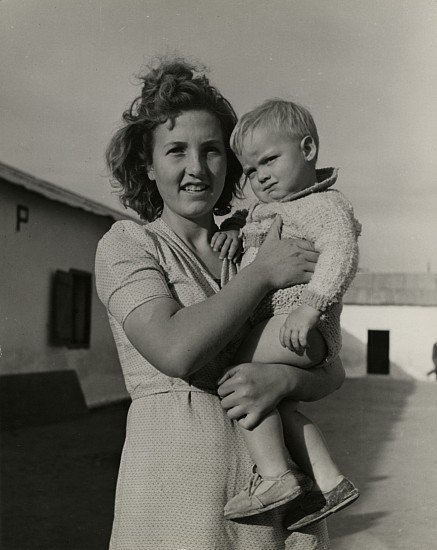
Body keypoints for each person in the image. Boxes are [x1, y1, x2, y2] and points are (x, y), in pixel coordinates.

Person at [96, 58, 345, 549]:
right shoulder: (129, 245)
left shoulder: (260, 239)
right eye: (175, 151)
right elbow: (175, 350)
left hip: (270, 508)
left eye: (212, 151)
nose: (196, 168)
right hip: (174, 495)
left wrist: (285, 378)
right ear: (148, 165)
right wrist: (262, 274)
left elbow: (331, 361)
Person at [214, 99, 361, 529]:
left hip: (300, 325)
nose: (260, 175)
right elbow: (253, 226)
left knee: (236, 376)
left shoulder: (324, 204)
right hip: (292, 330)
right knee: (282, 403)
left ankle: (276, 476)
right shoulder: (272, 208)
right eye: (251, 170)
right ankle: (330, 482)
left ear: (308, 148)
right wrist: (231, 232)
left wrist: (311, 306)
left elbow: (341, 252)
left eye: (270, 160)